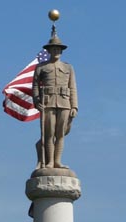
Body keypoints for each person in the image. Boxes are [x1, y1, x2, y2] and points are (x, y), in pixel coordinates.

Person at [32, 31, 78, 169]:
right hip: (48, 103)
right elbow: (35, 86)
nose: (56, 51)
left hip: (64, 103)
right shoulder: (41, 67)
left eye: (59, 49)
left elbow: (73, 87)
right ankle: (50, 161)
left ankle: (57, 161)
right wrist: (36, 101)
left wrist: (74, 106)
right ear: (49, 51)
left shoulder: (68, 67)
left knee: (60, 134)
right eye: (54, 49)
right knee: (49, 133)